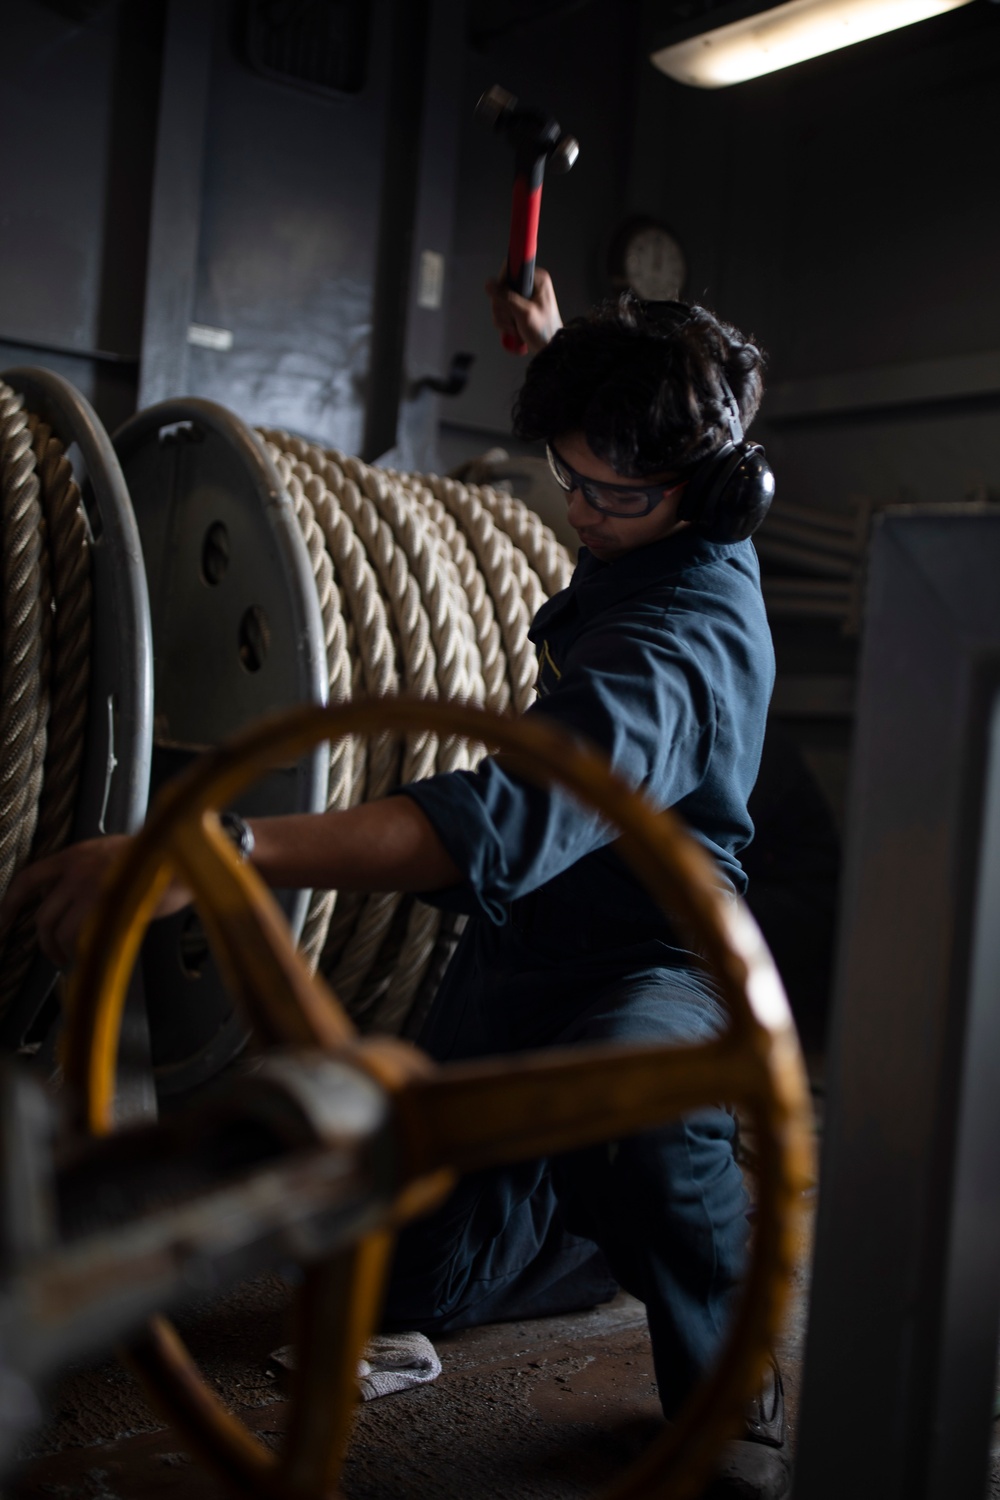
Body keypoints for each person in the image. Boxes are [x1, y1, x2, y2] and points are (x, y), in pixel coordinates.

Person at [4, 270, 785, 1498]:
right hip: (527, 951)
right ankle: (580, 1206)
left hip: (653, 956)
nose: (580, 511)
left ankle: (725, 1352)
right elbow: (617, 424)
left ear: (712, 489)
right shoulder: (641, 497)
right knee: (419, 1285)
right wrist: (553, 341)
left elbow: (501, 821)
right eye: (568, 477)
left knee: (635, 1101)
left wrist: (212, 858)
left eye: (614, 494)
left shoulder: (685, 643)